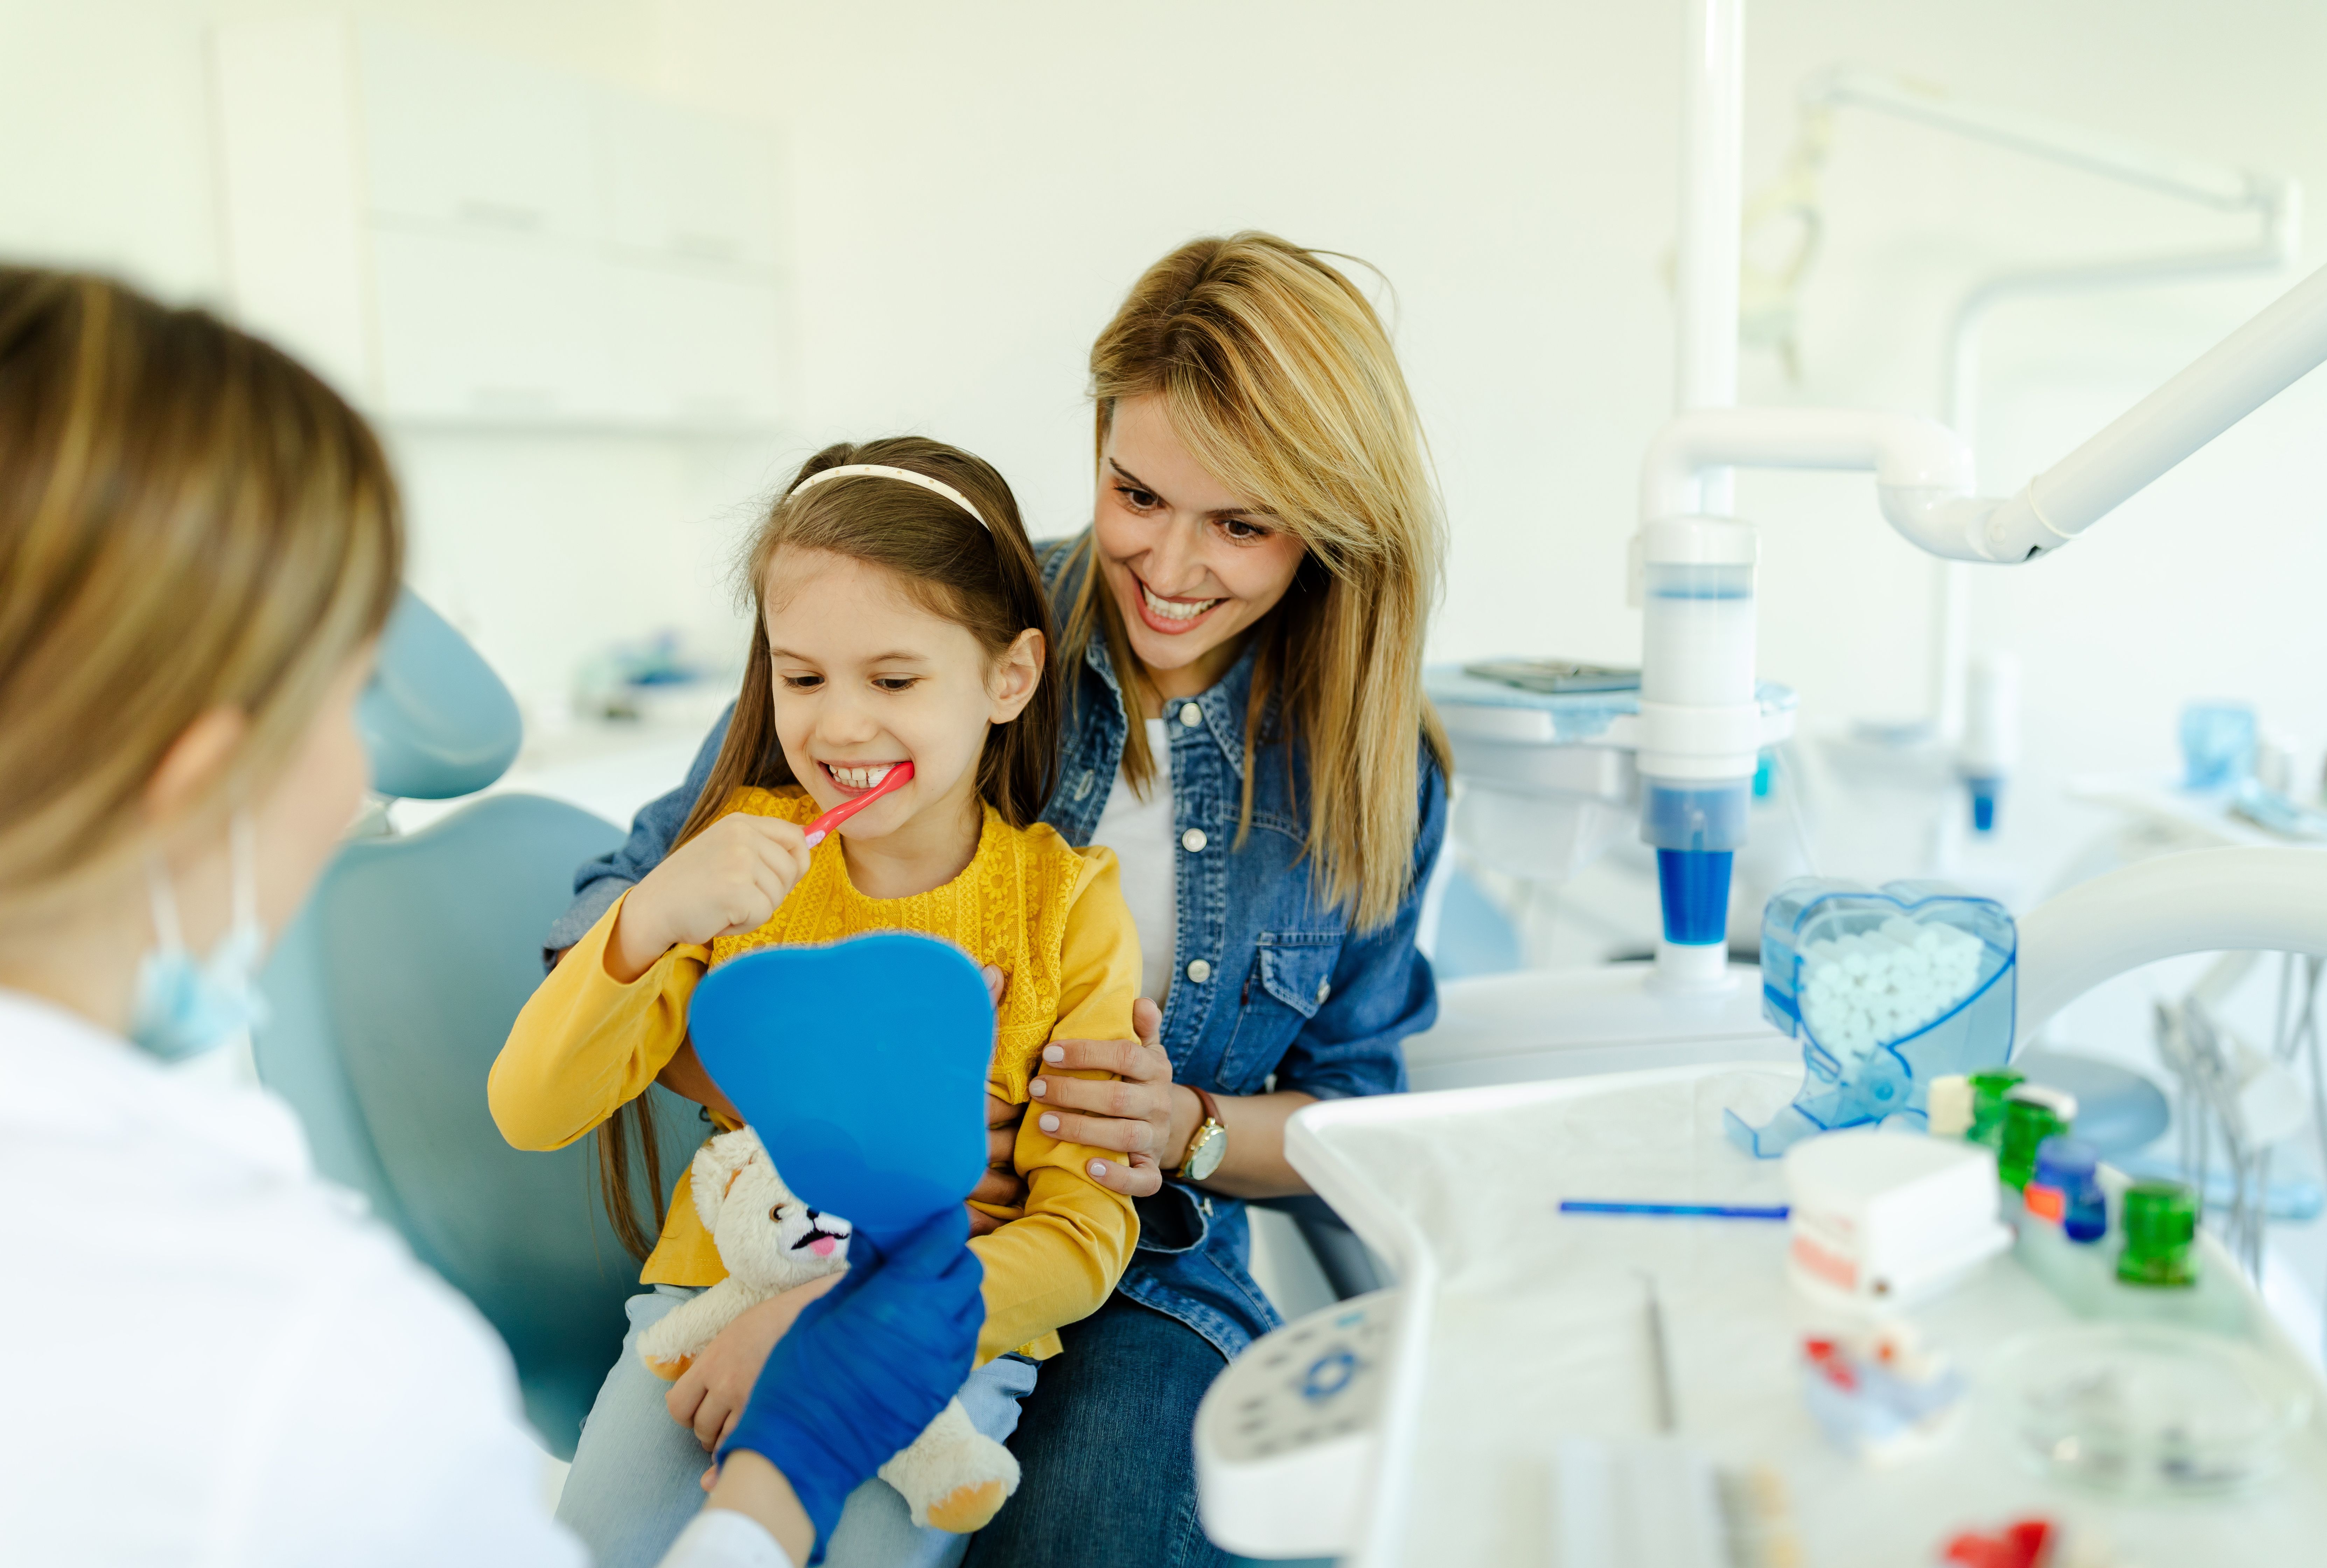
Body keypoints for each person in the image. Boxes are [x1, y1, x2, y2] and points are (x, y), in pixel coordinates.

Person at [0, 267, 985, 1568]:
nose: (359, 774)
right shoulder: (309, 1370)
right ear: (198, 785)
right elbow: (537, 1096)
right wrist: (781, 1479)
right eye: (345, 703)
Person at [545, 231, 1453, 1567]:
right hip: (811, 1224)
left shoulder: (1374, 774)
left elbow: (1356, 1119)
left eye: (1243, 524)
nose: (1174, 565)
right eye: (1138, 494)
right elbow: (619, 910)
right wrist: (800, 1081)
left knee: (1078, 1533)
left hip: (1137, 1267)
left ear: (1327, 522)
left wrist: (1191, 1127)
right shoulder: (935, 618)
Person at [494, 437, 1145, 1568]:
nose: (839, 728)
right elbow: (532, 1109)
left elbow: (1085, 1236)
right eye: (803, 677)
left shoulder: (1067, 910)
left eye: (893, 681)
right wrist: (648, 916)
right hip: (697, 1317)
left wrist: (831, 1326)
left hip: (944, 1348)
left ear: (1011, 677)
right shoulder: (728, 865)